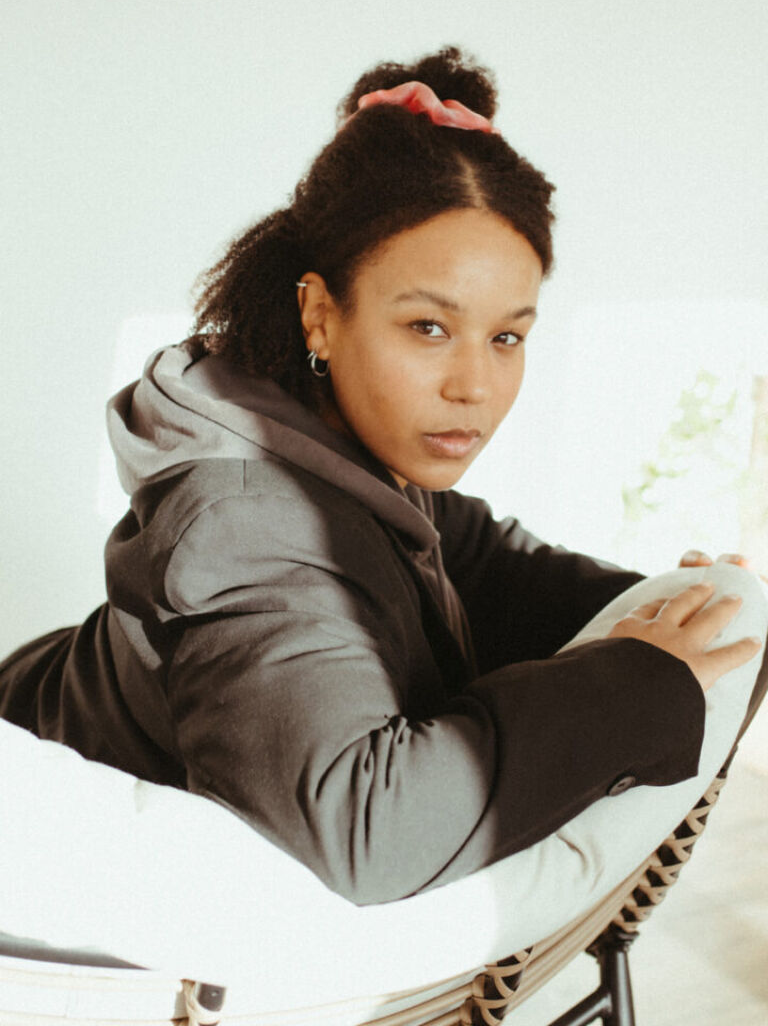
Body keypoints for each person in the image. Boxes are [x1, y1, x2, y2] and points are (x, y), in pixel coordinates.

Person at [0, 47, 758, 906]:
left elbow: (483, 565)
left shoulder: (349, 443)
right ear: (321, 315)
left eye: (507, 337)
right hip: (30, 799)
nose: (475, 385)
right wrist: (633, 686)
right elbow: (363, 828)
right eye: (429, 328)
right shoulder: (242, 525)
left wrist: (666, 613)